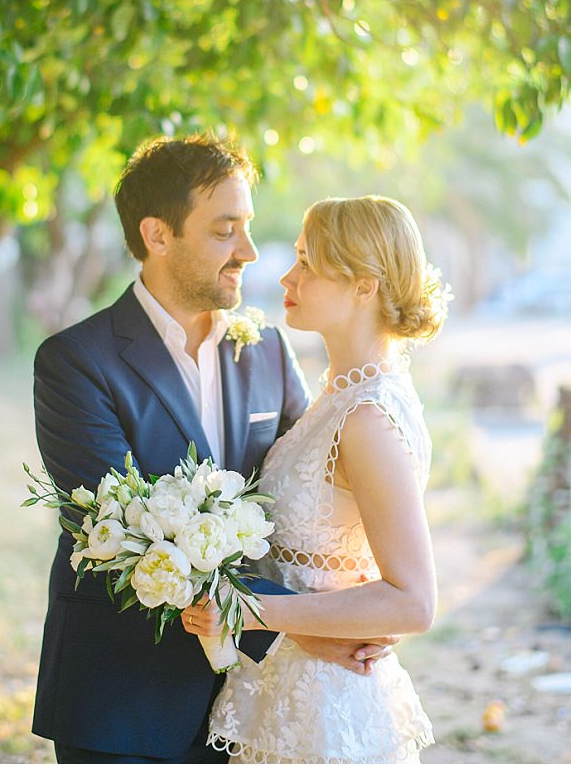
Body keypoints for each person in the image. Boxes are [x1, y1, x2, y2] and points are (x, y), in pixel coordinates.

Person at [31, 134, 395, 764]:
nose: (249, 253)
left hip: (249, 703)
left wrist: (344, 597)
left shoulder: (268, 351)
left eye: (247, 227)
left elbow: (298, 495)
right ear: (157, 234)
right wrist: (303, 625)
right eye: (226, 230)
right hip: (123, 696)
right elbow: (129, 534)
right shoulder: (75, 363)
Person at [185, 196, 444, 763]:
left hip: (332, 707)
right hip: (289, 691)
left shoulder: (369, 417)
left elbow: (414, 602)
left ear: (364, 285)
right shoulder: (337, 395)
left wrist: (253, 610)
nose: (286, 275)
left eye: (308, 262)